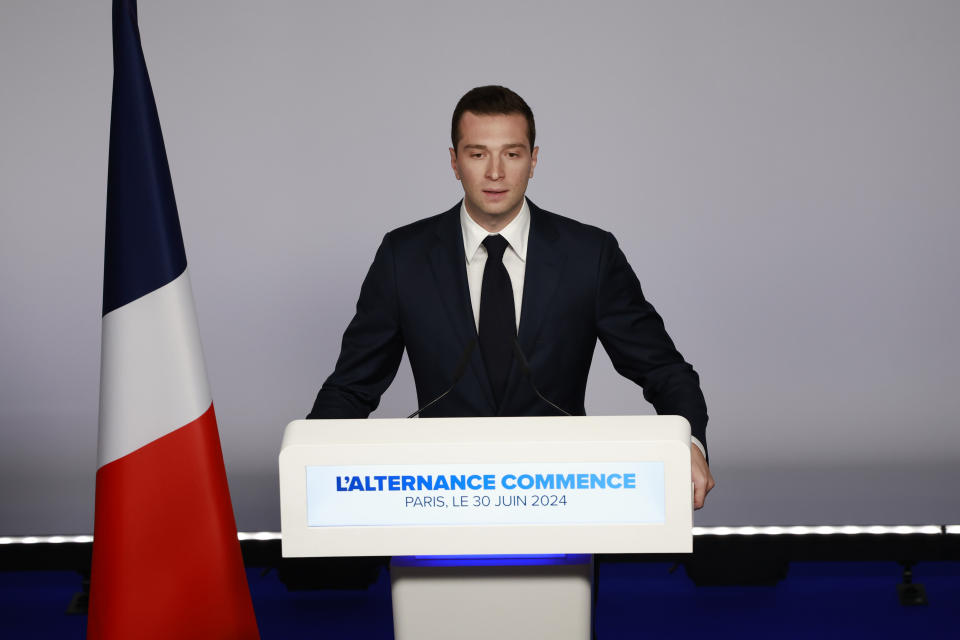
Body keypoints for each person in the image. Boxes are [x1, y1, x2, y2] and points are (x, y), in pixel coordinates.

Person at [309, 85, 715, 508]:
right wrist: (310, 459)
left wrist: (689, 444)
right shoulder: (403, 257)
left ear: (534, 160)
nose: (496, 173)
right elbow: (352, 387)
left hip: (563, 495)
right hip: (437, 495)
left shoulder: (589, 255)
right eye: (478, 153)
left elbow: (664, 370)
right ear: (454, 162)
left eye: (513, 154)